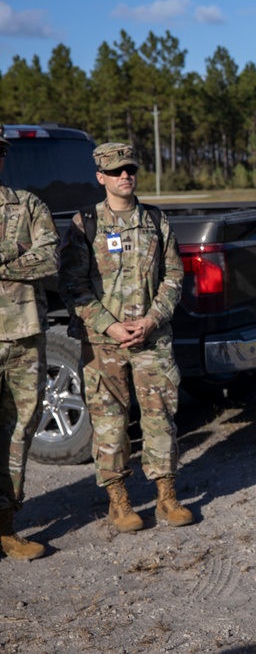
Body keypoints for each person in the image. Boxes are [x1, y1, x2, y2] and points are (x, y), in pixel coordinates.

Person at [59, 142, 192, 533]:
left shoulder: (155, 220)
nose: (125, 176)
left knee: (160, 418)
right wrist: (110, 326)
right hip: (105, 343)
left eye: (129, 169)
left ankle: (167, 497)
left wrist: (152, 320)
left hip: (152, 338)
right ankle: (119, 502)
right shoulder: (86, 223)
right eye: (116, 171)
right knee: (110, 422)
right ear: (100, 177)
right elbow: (73, 287)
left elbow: (173, 276)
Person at [0, 126, 59, 560]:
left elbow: (49, 258)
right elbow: (30, 258)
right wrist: (17, 261)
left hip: (22, 333)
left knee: (19, 429)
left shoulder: (28, 205)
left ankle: (5, 525)